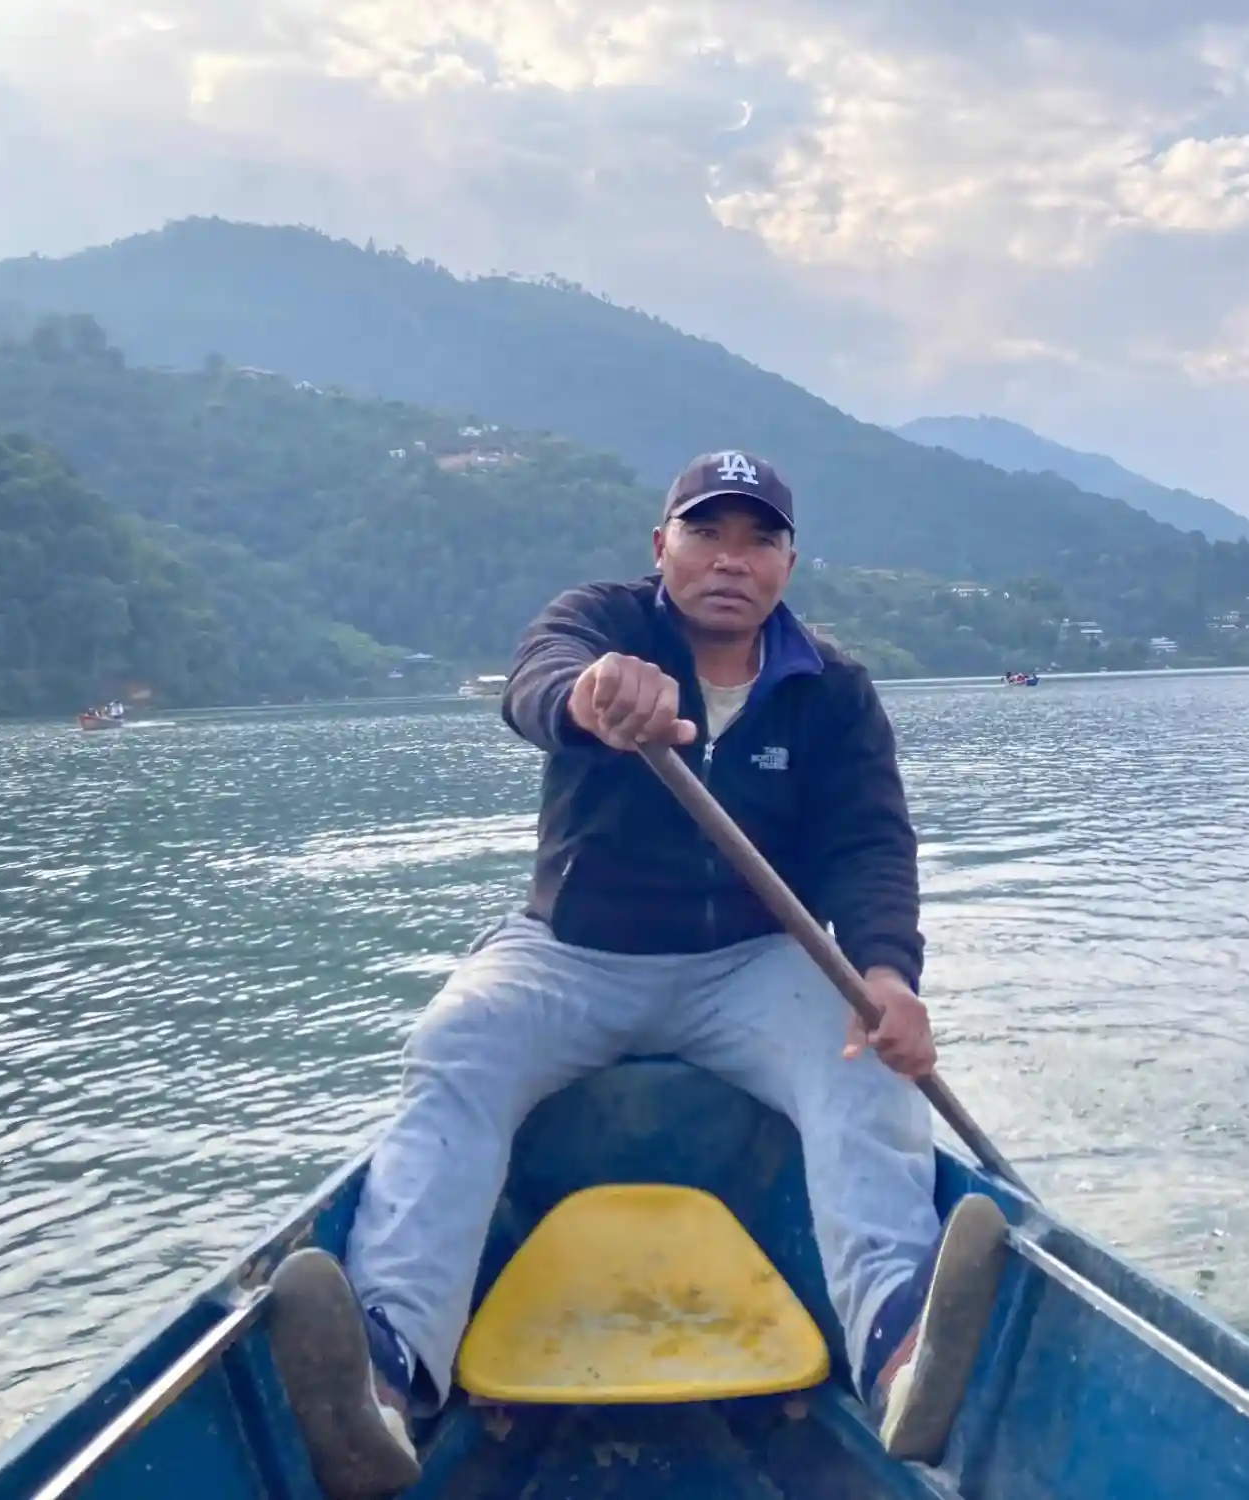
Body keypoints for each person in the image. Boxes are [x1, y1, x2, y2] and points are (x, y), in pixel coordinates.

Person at [265, 449, 1011, 1500]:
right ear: (660, 545)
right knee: (456, 1046)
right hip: (574, 952)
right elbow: (535, 682)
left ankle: (896, 1348)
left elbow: (870, 847)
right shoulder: (599, 625)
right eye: (705, 533)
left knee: (862, 1060)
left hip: (754, 963)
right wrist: (587, 694)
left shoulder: (830, 691)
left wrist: (887, 973)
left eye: (758, 540)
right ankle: (387, 1384)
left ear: (789, 564)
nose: (730, 560)